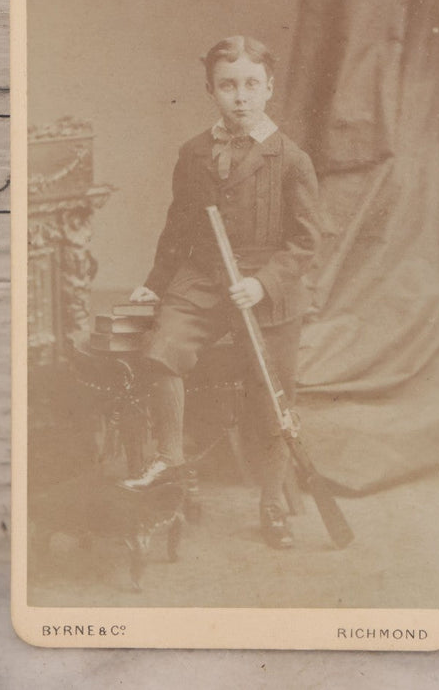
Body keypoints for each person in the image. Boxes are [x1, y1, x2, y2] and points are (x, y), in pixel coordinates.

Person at [122, 35, 320, 548]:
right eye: (228, 85)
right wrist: (153, 285)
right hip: (204, 280)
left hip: (267, 288)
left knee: (274, 399)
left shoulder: (291, 159)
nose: (241, 96)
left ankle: (272, 504)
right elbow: (178, 228)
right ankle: (170, 463)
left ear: (269, 88)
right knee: (162, 350)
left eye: (251, 84)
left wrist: (262, 283)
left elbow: (305, 243)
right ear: (210, 90)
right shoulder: (193, 153)